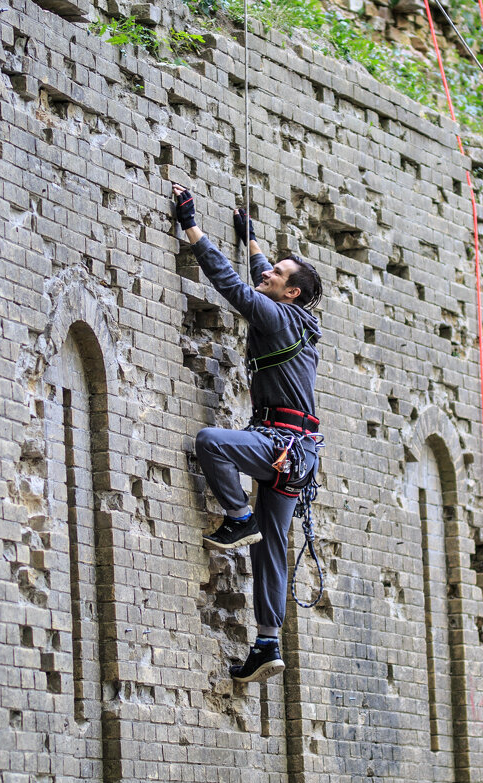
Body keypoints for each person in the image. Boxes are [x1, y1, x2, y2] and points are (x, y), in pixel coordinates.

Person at [172, 184, 324, 683]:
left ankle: (237, 516)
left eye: (277, 274)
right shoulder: (298, 318)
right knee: (272, 545)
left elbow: (236, 288)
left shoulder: (274, 315)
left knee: (212, 442)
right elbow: (261, 277)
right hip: (301, 457)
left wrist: (193, 230)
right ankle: (267, 643)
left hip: (277, 441)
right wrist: (252, 239)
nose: (267, 274)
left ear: (291, 292)